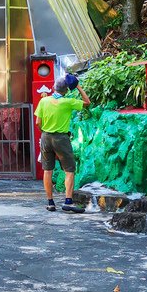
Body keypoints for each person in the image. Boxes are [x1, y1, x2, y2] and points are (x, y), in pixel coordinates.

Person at [35, 73, 90, 213]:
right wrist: (77, 86)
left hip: (46, 137)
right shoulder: (68, 102)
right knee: (69, 170)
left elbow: (38, 122)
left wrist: (45, 131)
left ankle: (50, 202)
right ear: (66, 90)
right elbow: (87, 102)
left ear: (53, 87)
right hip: (61, 139)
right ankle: (68, 202)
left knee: (48, 170)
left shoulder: (44, 101)